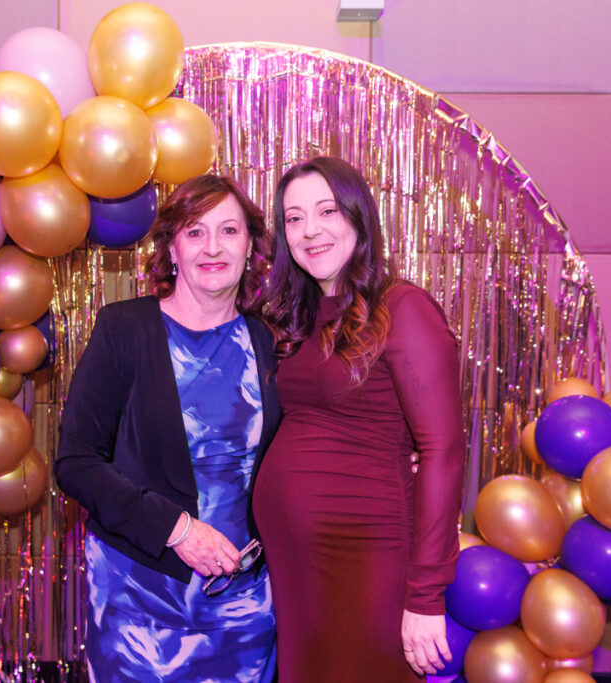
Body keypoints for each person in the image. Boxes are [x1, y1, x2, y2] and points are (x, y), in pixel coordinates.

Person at [54, 175, 279, 682]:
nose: (213, 247)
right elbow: (76, 463)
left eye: (229, 230)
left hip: (246, 609)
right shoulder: (124, 329)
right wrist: (178, 530)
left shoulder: (270, 342)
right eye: (195, 232)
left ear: (250, 246)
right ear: (172, 248)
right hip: (141, 604)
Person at [253, 156, 466, 681]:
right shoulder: (300, 319)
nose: (310, 230)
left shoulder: (403, 307)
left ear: (358, 215)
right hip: (295, 563)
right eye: (294, 218)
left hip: (369, 552)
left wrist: (426, 595)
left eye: (327, 211)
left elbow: (442, 450)